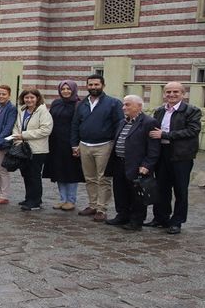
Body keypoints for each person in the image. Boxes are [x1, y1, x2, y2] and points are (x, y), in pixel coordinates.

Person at [147, 82, 202, 234]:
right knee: (161, 188)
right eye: (168, 92)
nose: (171, 94)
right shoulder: (159, 111)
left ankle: (177, 221)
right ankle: (160, 218)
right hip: (162, 153)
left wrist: (165, 135)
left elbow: (192, 131)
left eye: (175, 92)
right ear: (164, 94)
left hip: (181, 155)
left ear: (183, 94)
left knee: (180, 190)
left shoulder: (192, 111)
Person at [70, 74, 124, 222]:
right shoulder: (81, 104)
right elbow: (75, 124)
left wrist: (114, 145)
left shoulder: (113, 103)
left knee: (104, 179)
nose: (93, 87)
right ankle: (92, 204)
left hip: (104, 145)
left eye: (96, 85)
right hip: (85, 145)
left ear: (103, 85)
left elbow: (119, 124)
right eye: (91, 85)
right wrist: (75, 144)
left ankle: (101, 208)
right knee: (90, 178)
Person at [102, 95, 160, 230]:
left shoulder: (149, 122)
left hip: (137, 165)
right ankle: (122, 215)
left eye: (127, 105)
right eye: (124, 105)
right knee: (120, 191)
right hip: (119, 162)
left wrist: (147, 165)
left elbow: (154, 147)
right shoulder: (123, 122)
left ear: (139, 106)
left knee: (136, 194)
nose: (124, 108)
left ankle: (136, 220)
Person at [43, 80, 85, 211]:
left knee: (71, 172)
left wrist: (77, 143)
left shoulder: (79, 104)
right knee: (58, 171)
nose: (66, 91)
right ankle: (63, 199)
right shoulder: (56, 103)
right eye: (63, 89)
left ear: (74, 90)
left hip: (70, 143)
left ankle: (71, 200)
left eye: (68, 89)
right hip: (56, 142)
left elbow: (80, 124)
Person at [12, 88, 54, 211]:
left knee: (34, 175)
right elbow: (17, 126)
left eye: (32, 97)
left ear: (37, 98)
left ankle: (35, 201)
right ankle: (28, 198)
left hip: (37, 150)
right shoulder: (22, 110)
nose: (29, 100)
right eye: (26, 97)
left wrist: (24, 135)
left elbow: (45, 130)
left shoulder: (43, 112)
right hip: (23, 148)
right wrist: (17, 138)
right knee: (26, 174)